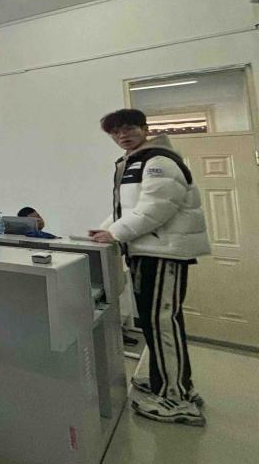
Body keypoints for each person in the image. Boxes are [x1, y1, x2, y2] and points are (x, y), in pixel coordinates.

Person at [89, 109, 209, 426]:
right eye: (115, 132)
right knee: (154, 323)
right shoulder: (132, 161)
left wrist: (115, 233)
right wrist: (104, 229)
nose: (122, 136)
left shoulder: (158, 161)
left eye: (128, 129)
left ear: (144, 128)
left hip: (163, 253)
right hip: (146, 250)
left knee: (162, 323)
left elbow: (157, 208)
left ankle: (176, 398)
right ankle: (166, 381)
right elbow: (127, 209)